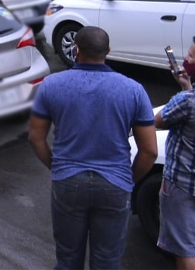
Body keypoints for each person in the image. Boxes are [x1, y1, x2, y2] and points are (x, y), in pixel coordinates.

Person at [28, 26, 157, 270]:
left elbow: (36, 137)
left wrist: (57, 167)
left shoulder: (51, 85)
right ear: (107, 51)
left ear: (75, 50)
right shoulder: (133, 90)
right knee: (107, 261)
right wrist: (128, 179)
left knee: (67, 259)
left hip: (68, 181)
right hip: (115, 184)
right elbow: (149, 150)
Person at [155, 42, 195, 268]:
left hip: (182, 183)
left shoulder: (187, 102)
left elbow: (158, 120)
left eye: (190, 56)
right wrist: (186, 86)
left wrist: (184, 92)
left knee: (184, 248)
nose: (185, 60)